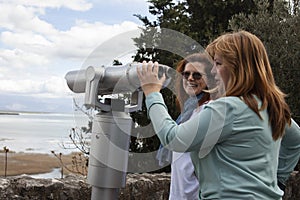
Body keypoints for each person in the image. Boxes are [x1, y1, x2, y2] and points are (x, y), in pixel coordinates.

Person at [137, 30, 300, 199]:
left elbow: (173, 138)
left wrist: (152, 93)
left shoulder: (228, 108)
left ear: (237, 68)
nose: (213, 71)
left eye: (218, 64)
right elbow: (295, 140)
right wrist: (277, 181)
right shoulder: (270, 106)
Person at [168, 53, 212, 200]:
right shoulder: (189, 112)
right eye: (186, 74)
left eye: (197, 75)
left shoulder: (208, 110)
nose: (190, 78)